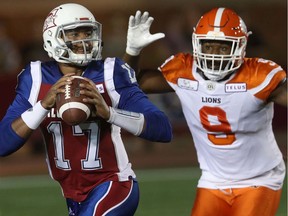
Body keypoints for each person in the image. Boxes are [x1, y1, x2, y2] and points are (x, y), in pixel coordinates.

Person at [0, 3, 172, 216]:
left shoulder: (111, 73)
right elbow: (2, 143)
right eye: (73, 33)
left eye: (88, 32)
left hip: (115, 185)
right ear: (53, 38)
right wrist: (43, 105)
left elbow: (163, 129)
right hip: (73, 195)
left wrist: (110, 113)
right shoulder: (35, 77)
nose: (83, 40)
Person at [124, 8, 287, 216]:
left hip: (260, 178)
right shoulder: (184, 71)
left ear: (242, 46)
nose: (213, 55)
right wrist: (132, 51)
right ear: (196, 43)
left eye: (223, 47)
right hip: (213, 179)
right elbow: (129, 84)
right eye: (208, 46)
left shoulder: (258, 77)